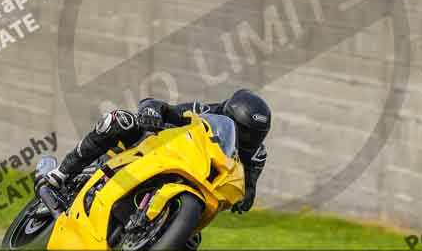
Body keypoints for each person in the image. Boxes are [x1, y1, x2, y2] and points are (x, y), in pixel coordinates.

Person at [39, 89, 271, 224]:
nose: (248, 138)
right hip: (158, 149)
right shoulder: (206, 112)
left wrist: (244, 199)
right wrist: (151, 110)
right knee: (119, 121)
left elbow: (249, 188)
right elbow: (166, 108)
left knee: (191, 241)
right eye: (244, 131)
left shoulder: (256, 155)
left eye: (255, 135)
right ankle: (61, 174)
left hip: (197, 185)